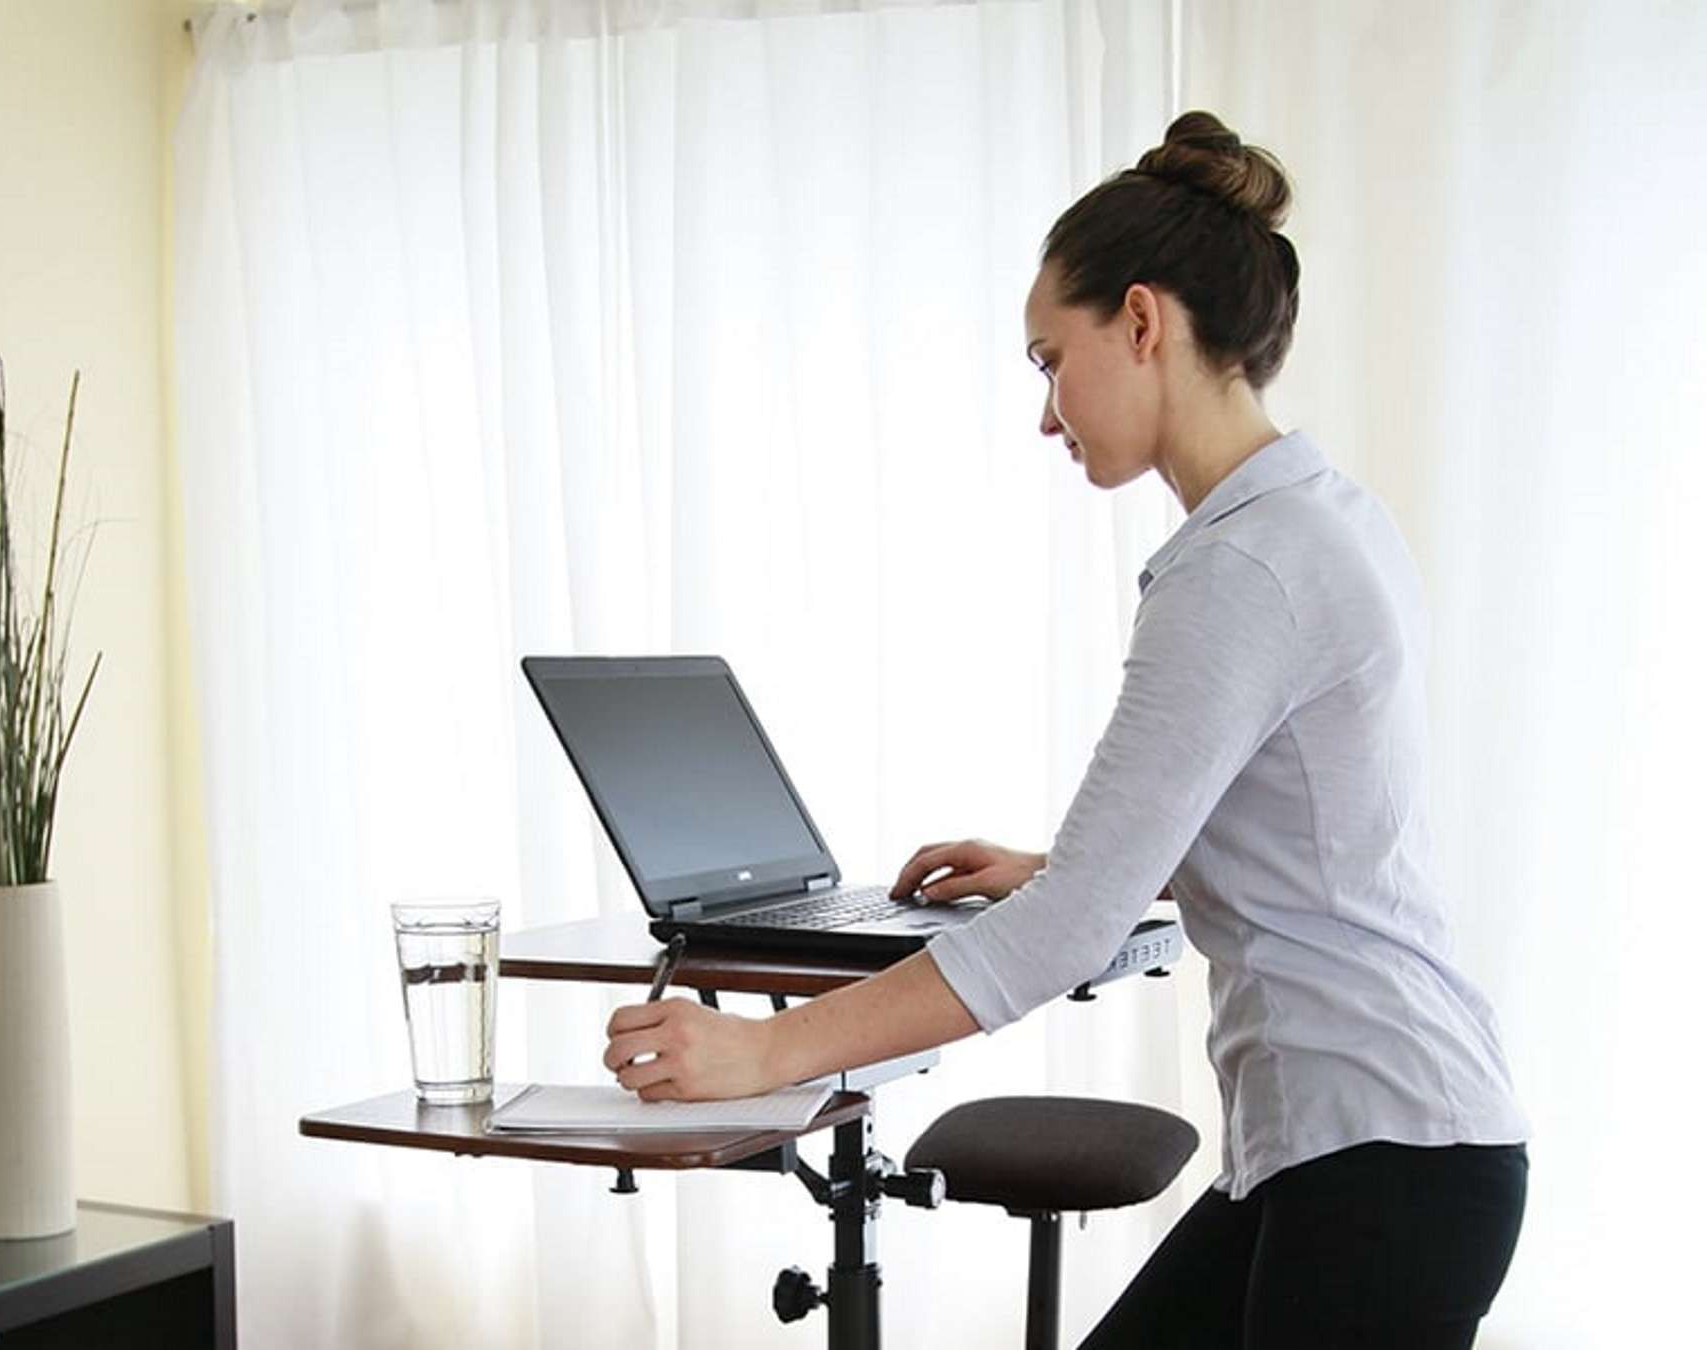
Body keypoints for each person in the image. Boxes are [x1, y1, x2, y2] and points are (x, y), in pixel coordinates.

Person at [600, 111, 1529, 1348]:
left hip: (1380, 1158)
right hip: (1370, 1142)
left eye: (1049, 359)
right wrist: (1063, 866)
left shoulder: (1240, 569)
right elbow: (1313, 824)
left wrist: (761, 1059)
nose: (1047, 412)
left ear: (1141, 321)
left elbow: (1062, 941)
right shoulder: (1320, 518)